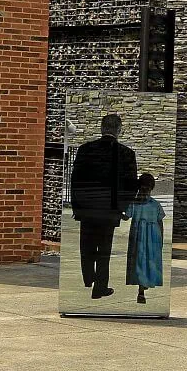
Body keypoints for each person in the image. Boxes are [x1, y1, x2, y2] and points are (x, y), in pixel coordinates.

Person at [70, 113, 138, 299]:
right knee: (104, 250)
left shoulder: (85, 150)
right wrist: (123, 207)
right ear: (119, 130)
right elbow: (131, 185)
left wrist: (77, 207)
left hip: (88, 208)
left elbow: (75, 180)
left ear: (101, 128)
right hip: (110, 210)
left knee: (86, 246)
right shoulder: (126, 153)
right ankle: (99, 287)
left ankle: (88, 278)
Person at [124, 173, 165, 304]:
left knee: (148, 262)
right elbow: (126, 216)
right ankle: (141, 290)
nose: (145, 192)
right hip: (139, 238)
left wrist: (161, 239)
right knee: (140, 262)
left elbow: (160, 222)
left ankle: (144, 284)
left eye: (147, 189)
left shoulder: (155, 205)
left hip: (152, 237)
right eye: (143, 189)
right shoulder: (134, 204)